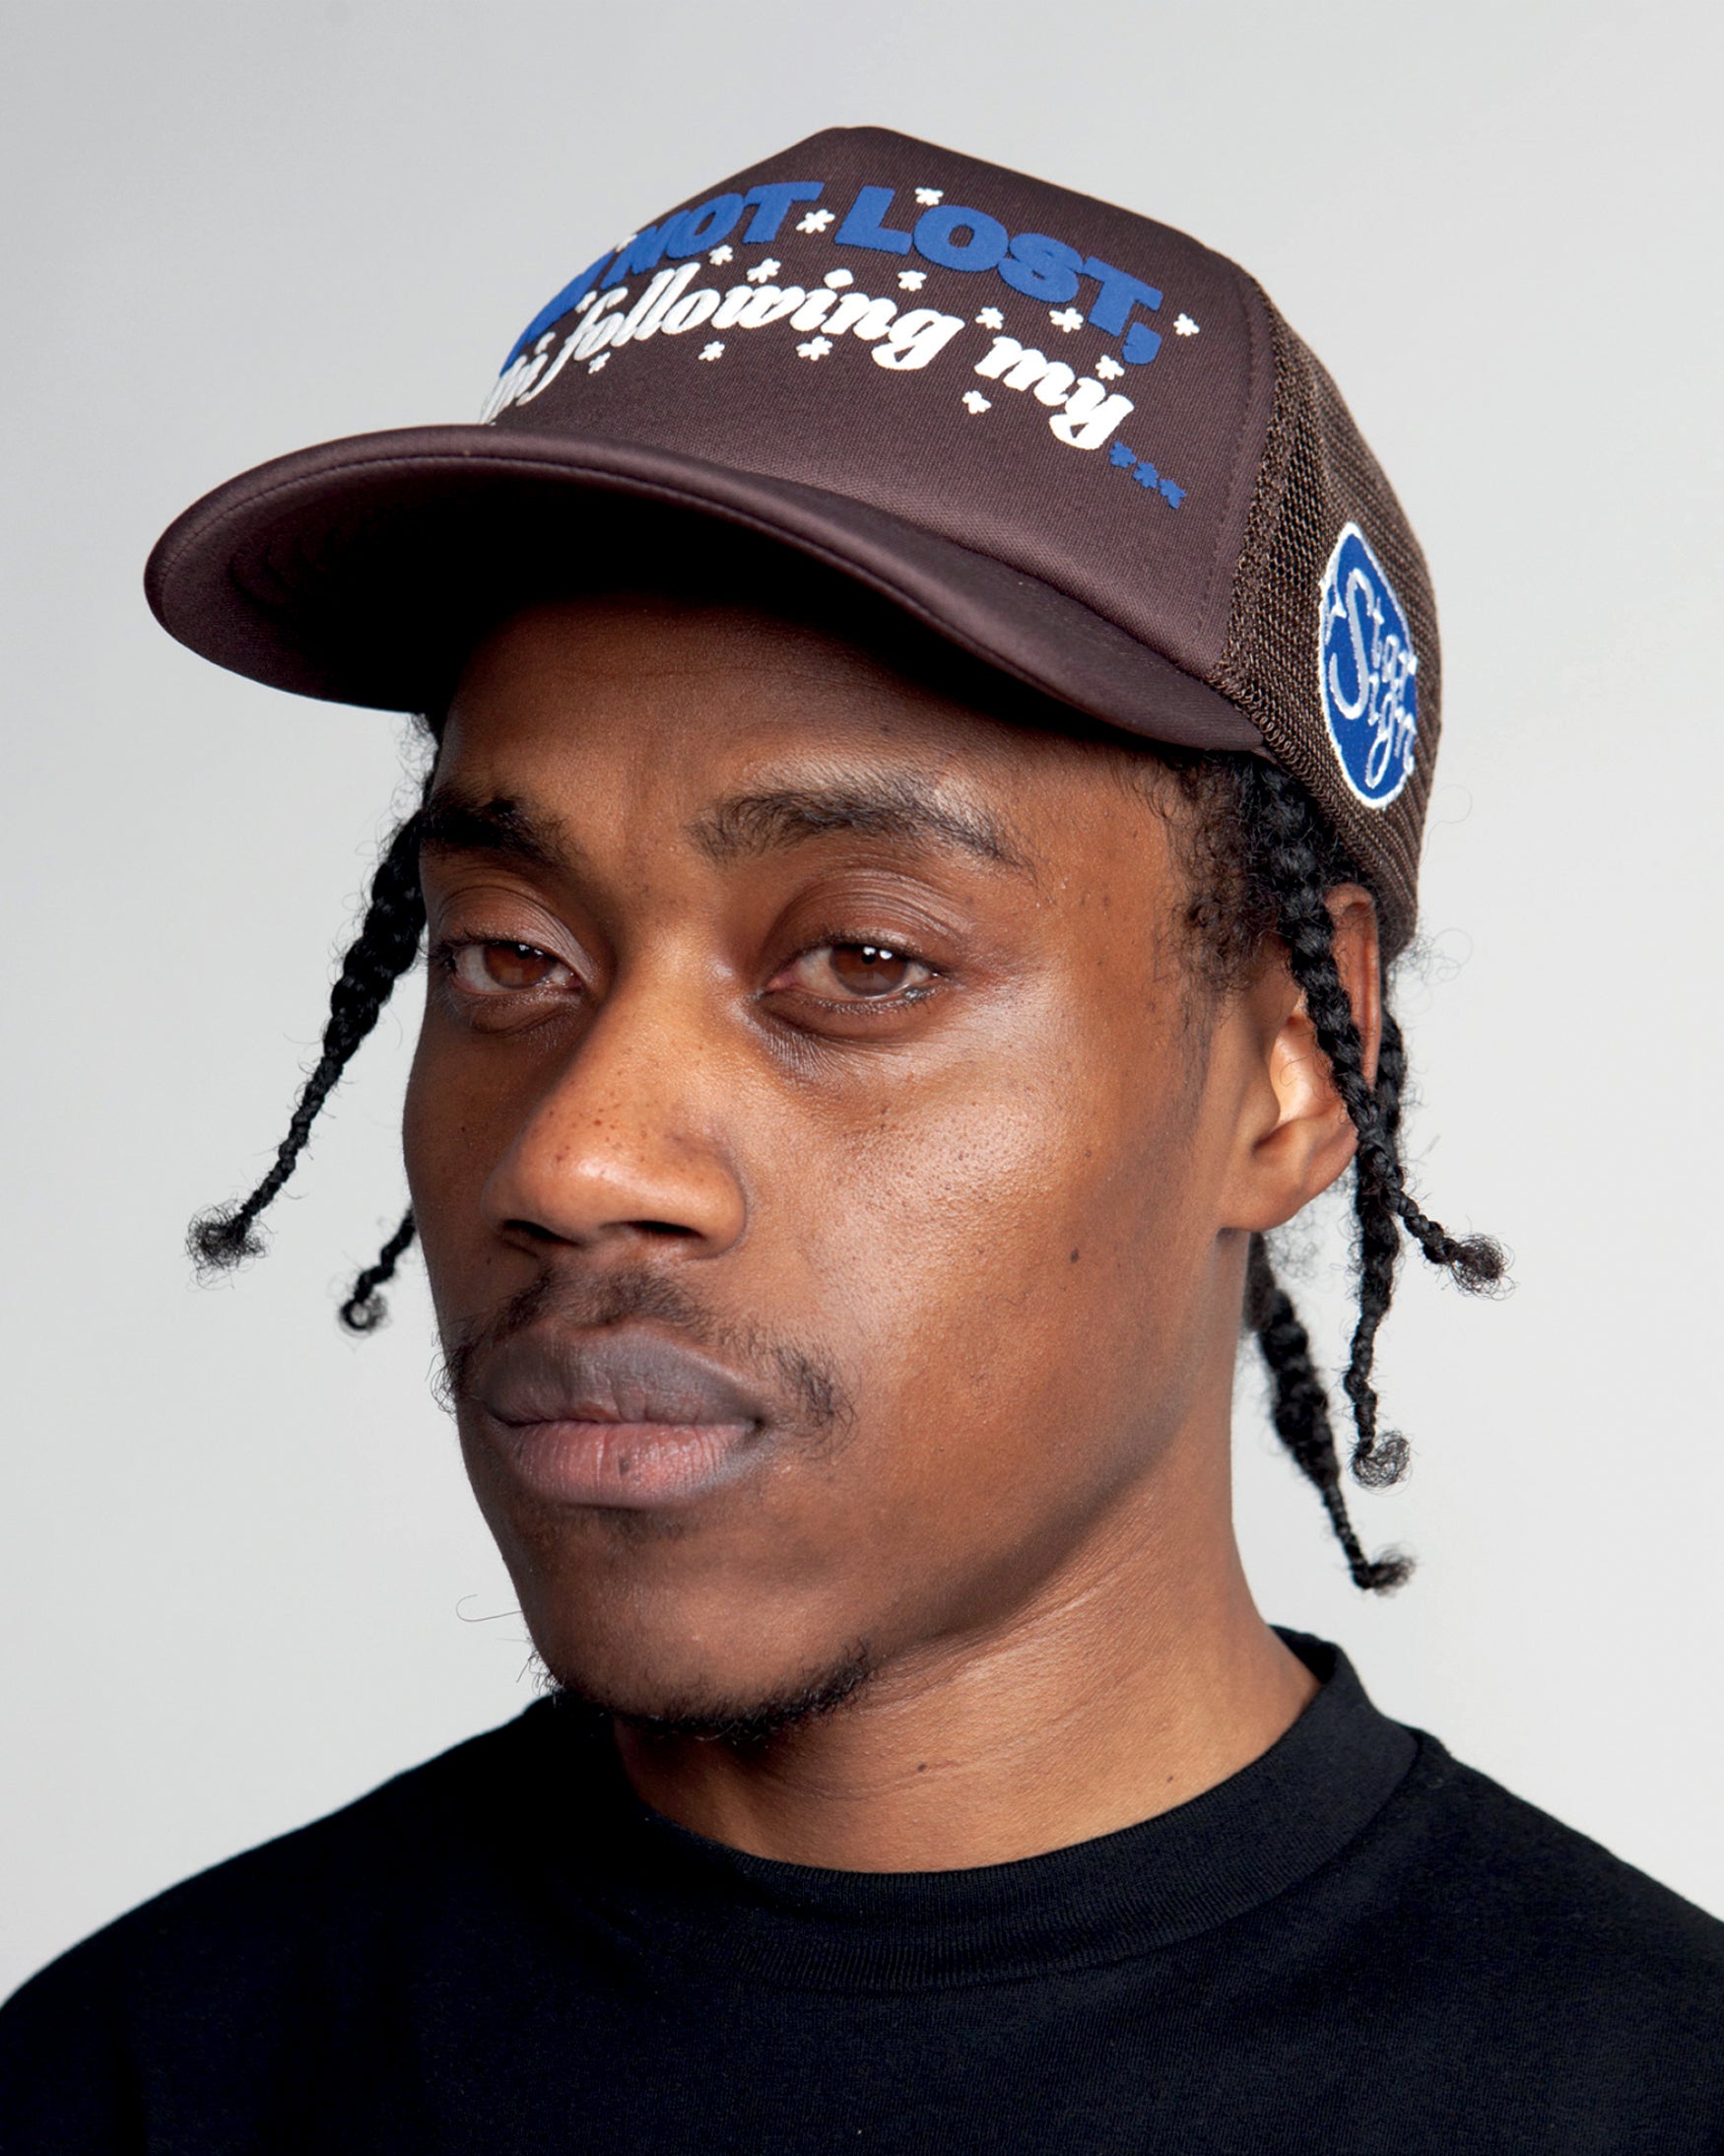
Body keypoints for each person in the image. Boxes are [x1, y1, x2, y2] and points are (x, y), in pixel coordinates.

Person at [3, 124, 1719, 2150]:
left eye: (864, 962)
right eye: (507, 955)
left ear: (1288, 1061)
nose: (573, 1158)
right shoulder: (124, 2089)